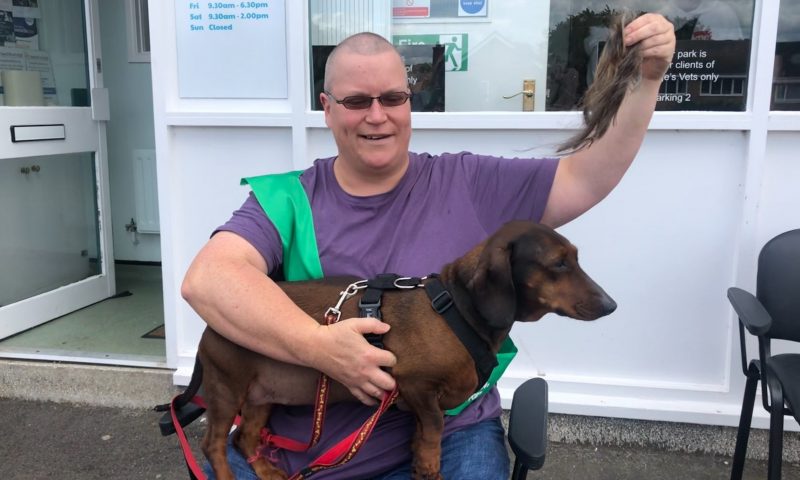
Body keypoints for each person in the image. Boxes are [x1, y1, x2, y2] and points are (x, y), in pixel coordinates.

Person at [182, 13, 676, 480]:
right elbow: (208, 281)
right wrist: (321, 349)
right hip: (305, 446)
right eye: (357, 101)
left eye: (393, 97)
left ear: (409, 103)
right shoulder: (288, 198)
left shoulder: (468, 181)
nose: (378, 116)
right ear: (327, 108)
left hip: (450, 434)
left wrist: (647, 81)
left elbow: (586, 176)